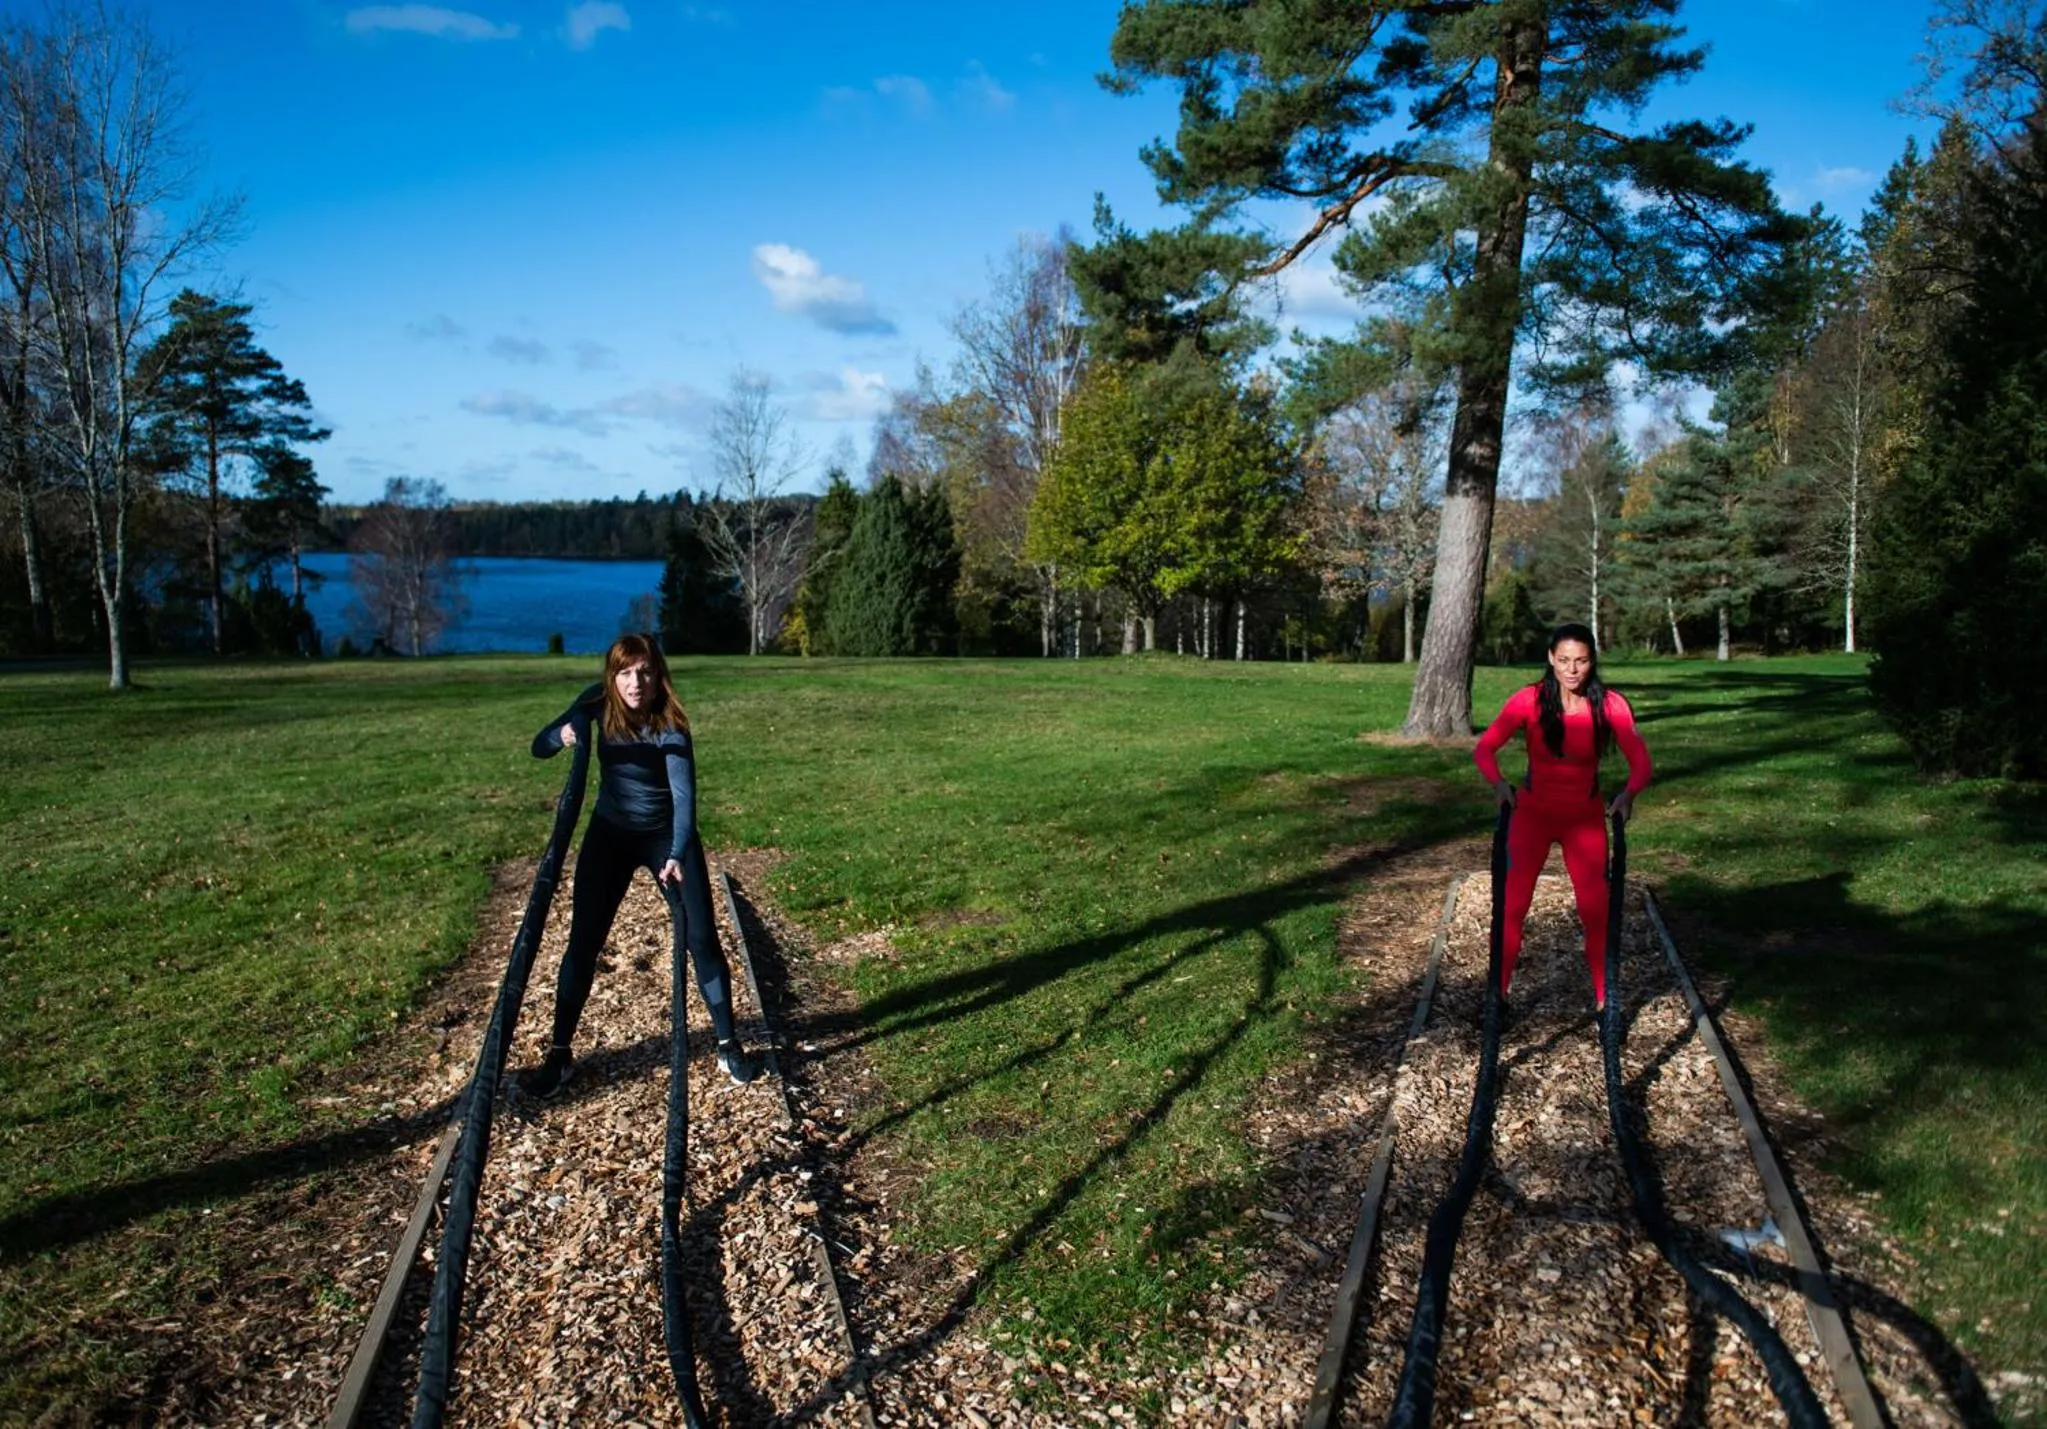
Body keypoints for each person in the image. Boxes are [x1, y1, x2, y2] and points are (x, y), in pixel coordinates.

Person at [518, 633, 759, 1097]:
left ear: (657, 675)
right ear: (612, 676)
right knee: (583, 941)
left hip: (667, 835)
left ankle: (729, 1044)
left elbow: (685, 797)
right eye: (625, 672)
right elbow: (538, 745)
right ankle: (560, 1053)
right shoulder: (595, 703)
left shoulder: (670, 722)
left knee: (702, 937)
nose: (635, 682)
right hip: (610, 835)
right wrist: (565, 733)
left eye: (644, 671)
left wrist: (675, 853)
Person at [1472, 623, 1653, 1010]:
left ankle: (1608, 1003)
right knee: (1512, 907)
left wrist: (1628, 795)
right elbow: (1485, 749)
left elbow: (1641, 762)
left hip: (1584, 819)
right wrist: (1498, 785)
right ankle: (1497, 998)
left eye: (1582, 661)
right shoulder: (1529, 700)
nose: (1572, 670)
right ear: (1551, 659)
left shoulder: (1611, 705)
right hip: (1532, 815)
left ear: (1592, 662)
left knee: (1596, 911)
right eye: (1565, 660)